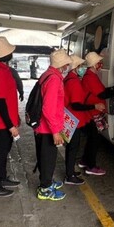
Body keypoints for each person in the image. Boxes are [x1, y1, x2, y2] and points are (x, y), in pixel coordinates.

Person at [34, 49, 73, 200]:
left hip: (44, 127)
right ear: (62, 65)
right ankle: (44, 189)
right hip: (47, 129)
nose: (67, 67)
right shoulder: (54, 79)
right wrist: (56, 131)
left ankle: (47, 182)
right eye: (66, 64)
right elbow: (48, 109)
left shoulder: (48, 74)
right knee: (48, 158)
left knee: (46, 157)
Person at [0, 36, 21, 198]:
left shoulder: (1, 70)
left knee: (3, 151)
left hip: (5, 120)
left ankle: (0, 178)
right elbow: (0, 102)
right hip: (2, 122)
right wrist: (10, 126)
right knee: (0, 152)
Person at [63, 55, 106, 185]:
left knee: (75, 145)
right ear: (76, 67)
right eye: (81, 66)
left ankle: (71, 171)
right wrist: (94, 105)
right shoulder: (73, 82)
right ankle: (69, 176)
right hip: (74, 118)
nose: (83, 67)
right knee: (73, 147)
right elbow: (76, 104)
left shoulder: (71, 78)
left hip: (75, 118)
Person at [79, 51, 114, 176]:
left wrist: (111, 89)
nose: (101, 64)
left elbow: (100, 91)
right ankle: (91, 166)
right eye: (99, 62)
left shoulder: (91, 75)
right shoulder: (90, 76)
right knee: (94, 139)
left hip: (92, 112)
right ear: (94, 64)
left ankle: (84, 160)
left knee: (92, 138)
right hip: (92, 113)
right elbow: (102, 94)